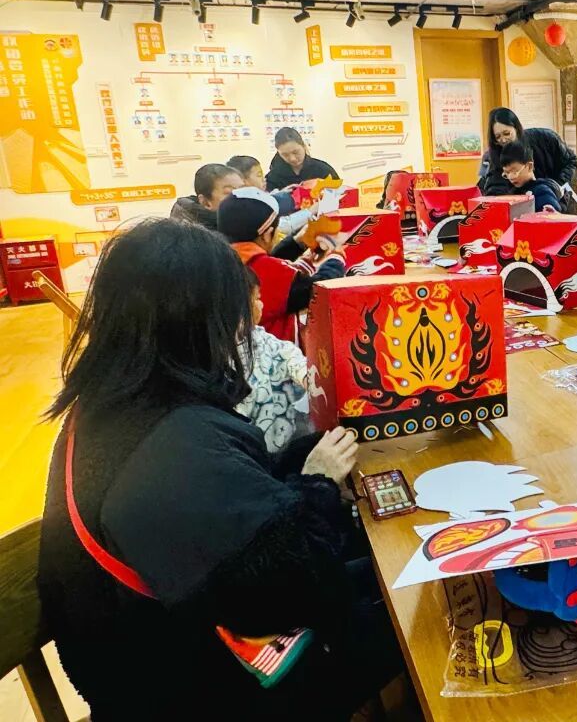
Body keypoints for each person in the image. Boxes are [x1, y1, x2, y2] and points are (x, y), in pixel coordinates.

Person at [37, 218, 402, 721]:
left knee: (383, 568)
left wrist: (307, 462)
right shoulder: (175, 448)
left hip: (151, 651)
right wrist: (316, 482)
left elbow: (238, 505)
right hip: (197, 689)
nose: (242, 327)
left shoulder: (114, 402)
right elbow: (296, 587)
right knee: (420, 608)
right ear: (195, 321)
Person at [218, 187, 345, 343]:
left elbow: (269, 261)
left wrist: (296, 242)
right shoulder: (261, 269)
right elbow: (315, 291)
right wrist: (336, 257)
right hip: (274, 350)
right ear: (267, 234)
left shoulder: (222, 259)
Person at [237, 268, 312, 453]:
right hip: (251, 453)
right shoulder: (220, 356)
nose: (261, 304)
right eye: (257, 298)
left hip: (284, 438)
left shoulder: (257, 336)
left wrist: (306, 374)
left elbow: (287, 353)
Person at [478, 108, 577, 196]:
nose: (503, 140)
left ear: (516, 128)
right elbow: (495, 186)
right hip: (521, 204)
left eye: (507, 133)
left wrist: (557, 185)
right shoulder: (495, 155)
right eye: (498, 137)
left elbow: (571, 161)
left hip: (552, 197)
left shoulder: (545, 139)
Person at [228, 154, 311, 237]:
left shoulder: (258, 198)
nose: (264, 179)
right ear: (243, 181)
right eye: (259, 175)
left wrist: (281, 192)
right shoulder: (249, 208)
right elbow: (284, 225)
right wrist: (312, 210)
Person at [170, 163, 244, 230]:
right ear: (205, 202)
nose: (242, 197)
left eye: (243, 190)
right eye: (229, 193)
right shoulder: (188, 235)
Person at [265, 128, 339, 191]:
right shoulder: (273, 178)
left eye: (295, 152)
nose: (292, 159)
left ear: (303, 146)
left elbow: (340, 193)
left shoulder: (323, 170)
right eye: (285, 155)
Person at [500, 141, 565, 212]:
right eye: (507, 173)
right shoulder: (514, 192)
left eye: (515, 172)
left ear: (530, 166)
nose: (511, 177)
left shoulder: (542, 192)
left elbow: (553, 215)